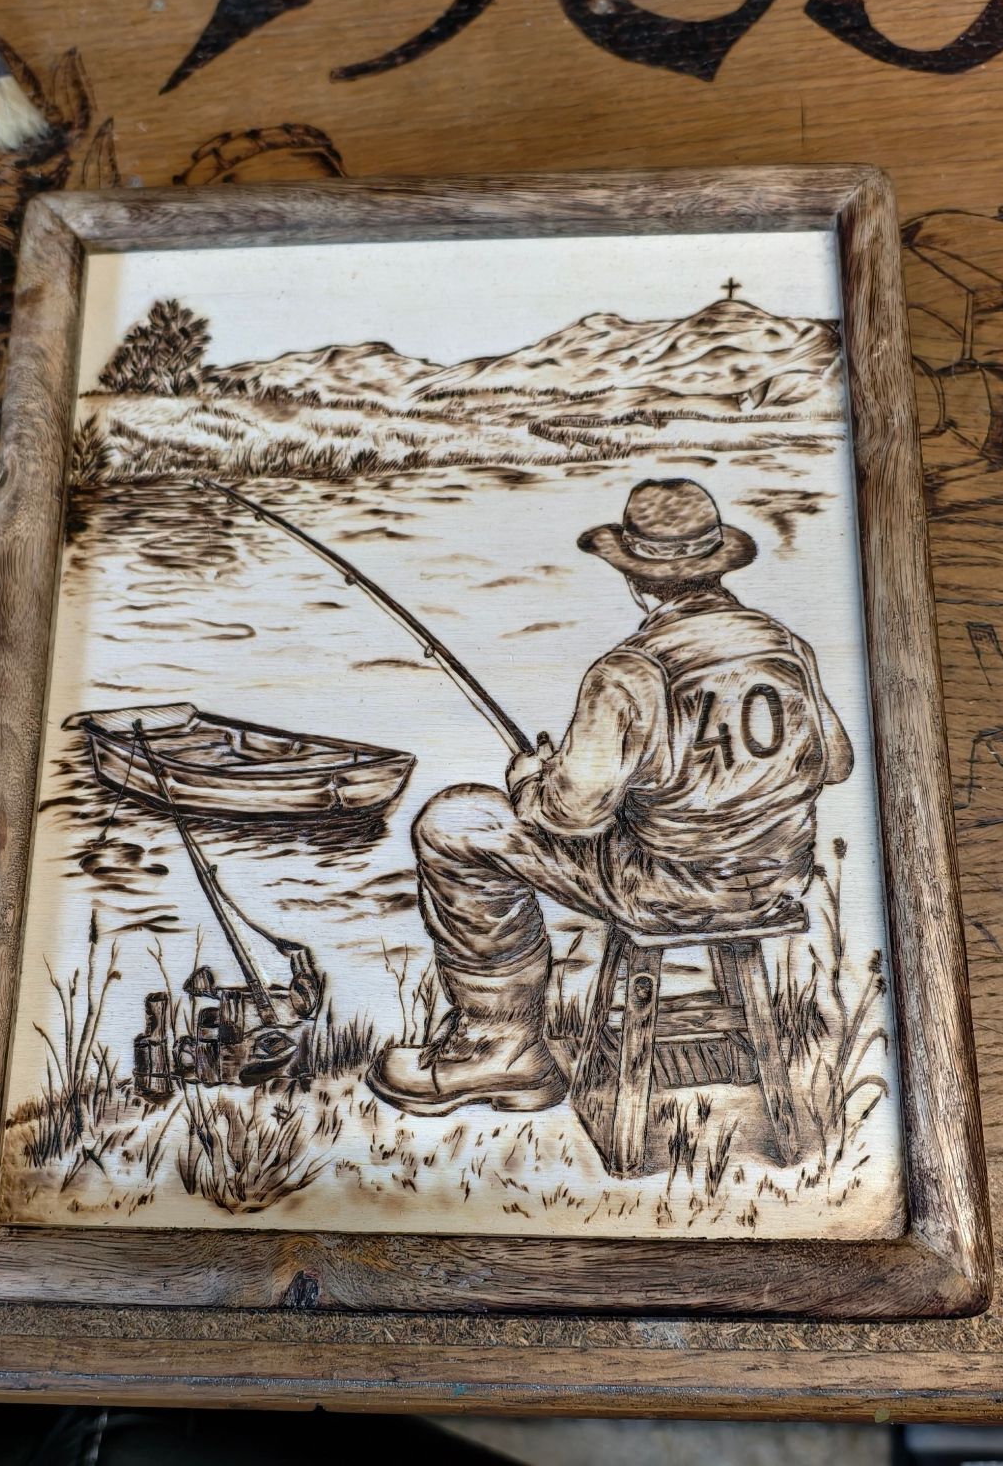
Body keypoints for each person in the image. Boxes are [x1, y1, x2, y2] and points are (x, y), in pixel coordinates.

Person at [366, 479, 854, 1118]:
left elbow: (573, 814)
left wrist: (530, 781)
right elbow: (836, 763)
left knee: (453, 822)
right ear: (717, 567)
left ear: (634, 577)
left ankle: (500, 1049)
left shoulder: (629, 671)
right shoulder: (785, 645)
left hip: (670, 890)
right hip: (775, 880)